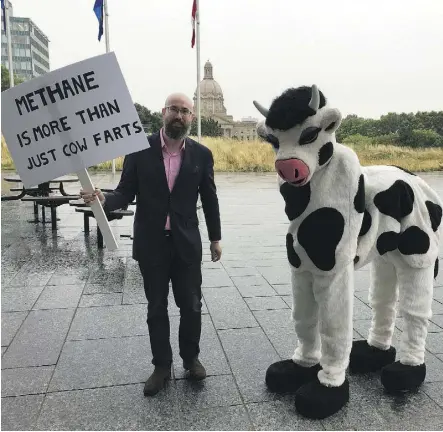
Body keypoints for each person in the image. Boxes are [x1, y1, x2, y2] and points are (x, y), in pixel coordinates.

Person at [80, 92, 222, 396]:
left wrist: (215, 238)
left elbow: (210, 199)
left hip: (186, 243)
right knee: (156, 306)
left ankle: (190, 358)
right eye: (174, 109)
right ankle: (161, 365)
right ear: (163, 112)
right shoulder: (139, 150)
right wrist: (103, 200)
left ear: (192, 117)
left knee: (192, 305)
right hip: (152, 243)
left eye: (185, 111)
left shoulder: (201, 154)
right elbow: (125, 192)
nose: (179, 115)